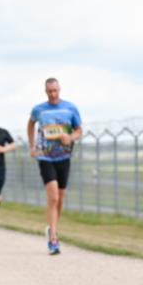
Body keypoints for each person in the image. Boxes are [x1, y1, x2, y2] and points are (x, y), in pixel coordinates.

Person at [28, 78, 83, 254]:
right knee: (52, 197)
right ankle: (53, 239)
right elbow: (30, 124)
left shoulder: (70, 108)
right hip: (45, 157)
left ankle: (53, 227)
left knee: (60, 197)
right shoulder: (39, 110)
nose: (53, 94)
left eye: (55, 91)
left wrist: (71, 137)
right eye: (49, 91)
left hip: (64, 157)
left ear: (59, 90)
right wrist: (32, 146)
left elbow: (79, 130)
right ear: (45, 91)